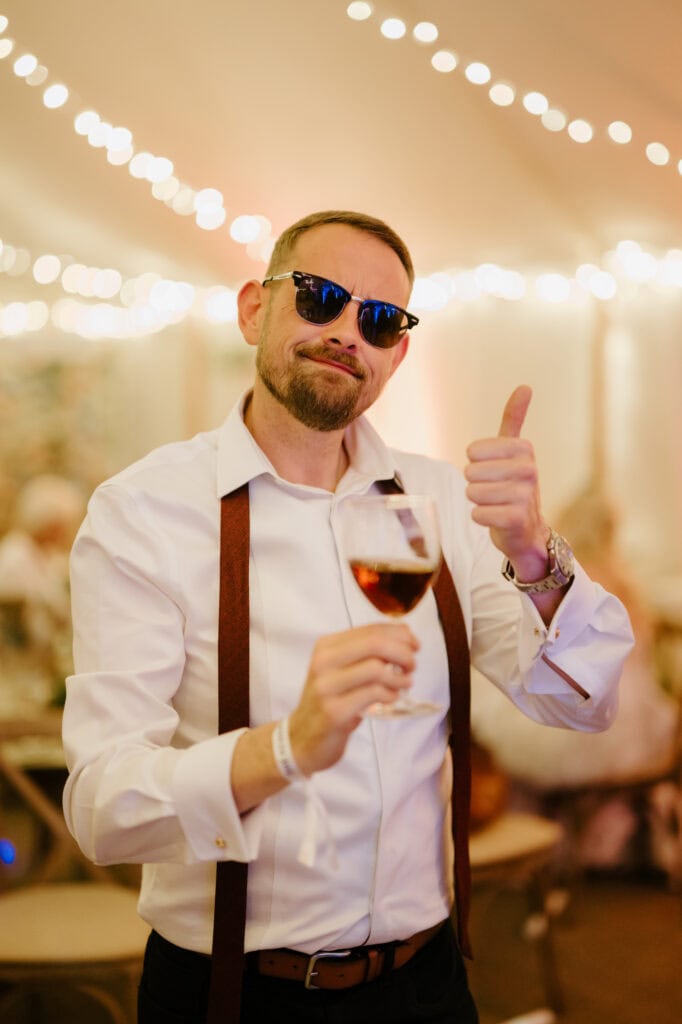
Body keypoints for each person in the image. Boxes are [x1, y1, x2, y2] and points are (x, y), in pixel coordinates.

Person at [62, 210, 633, 1024]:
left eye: (377, 318)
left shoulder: (438, 501)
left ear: (397, 352)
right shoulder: (145, 513)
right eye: (320, 298)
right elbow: (99, 809)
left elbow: (582, 701)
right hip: (232, 992)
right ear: (256, 309)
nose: (345, 333)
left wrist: (535, 552)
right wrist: (283, 748)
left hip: (426, 983)